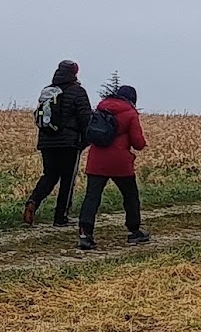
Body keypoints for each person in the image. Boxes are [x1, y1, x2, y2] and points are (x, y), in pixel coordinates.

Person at [77, 86, 149, 250]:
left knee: (92, 197)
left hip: (96, 160)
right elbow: (138, 143)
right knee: (130, 195)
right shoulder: (131, 114)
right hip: (119, 162)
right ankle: (134, 231)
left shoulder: (101, 108)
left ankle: (85, 234)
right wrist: (143, 143)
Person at [24, 60, 93, 227]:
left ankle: (33, 201)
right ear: (74, 73)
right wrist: (85, 140)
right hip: (69, 143)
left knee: (49, 175)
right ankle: (60, 217)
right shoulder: (78, 91)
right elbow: (86, 118)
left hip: (47, 141)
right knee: (67, 180)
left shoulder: (48, 91)